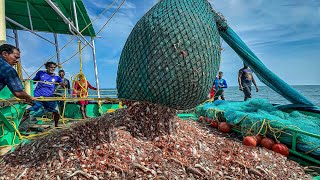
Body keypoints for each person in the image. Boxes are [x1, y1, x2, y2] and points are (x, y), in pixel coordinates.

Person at [26, 61, 65, 127]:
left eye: (54, 68)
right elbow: (33, 81)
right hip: (37, 96)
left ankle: (56, 125)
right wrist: (26, 85)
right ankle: (21, 125)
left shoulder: (57, 78)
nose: (52, 69)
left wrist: (63, 84)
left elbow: (63, 84)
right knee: (27, 110)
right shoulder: (41, 73)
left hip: (49, 97)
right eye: (51, 67)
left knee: (56, 112)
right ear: (47, 67)